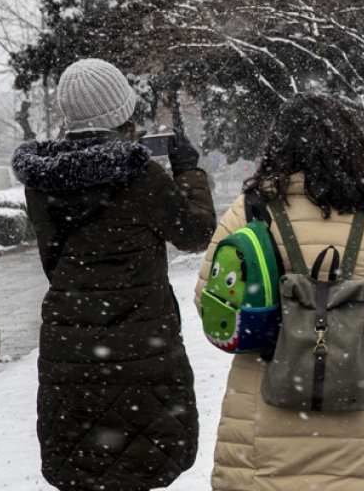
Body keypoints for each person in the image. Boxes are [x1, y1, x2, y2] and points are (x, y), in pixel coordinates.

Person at [195, 93, 364, 491]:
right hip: (350, 415)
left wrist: (280, 334)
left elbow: (210, 303)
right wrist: (344, 333)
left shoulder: (249, 211)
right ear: (352, 148)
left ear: (278, 147)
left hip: (261, 416)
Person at [12, 58, 215, 491]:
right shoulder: (141, 177)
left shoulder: (42, 183)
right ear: (123, 114)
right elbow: (196, 233)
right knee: (143, 464)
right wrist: (189, 172)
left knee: (85, 466)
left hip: (72, 352)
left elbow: (56, 265)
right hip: (143, 350)